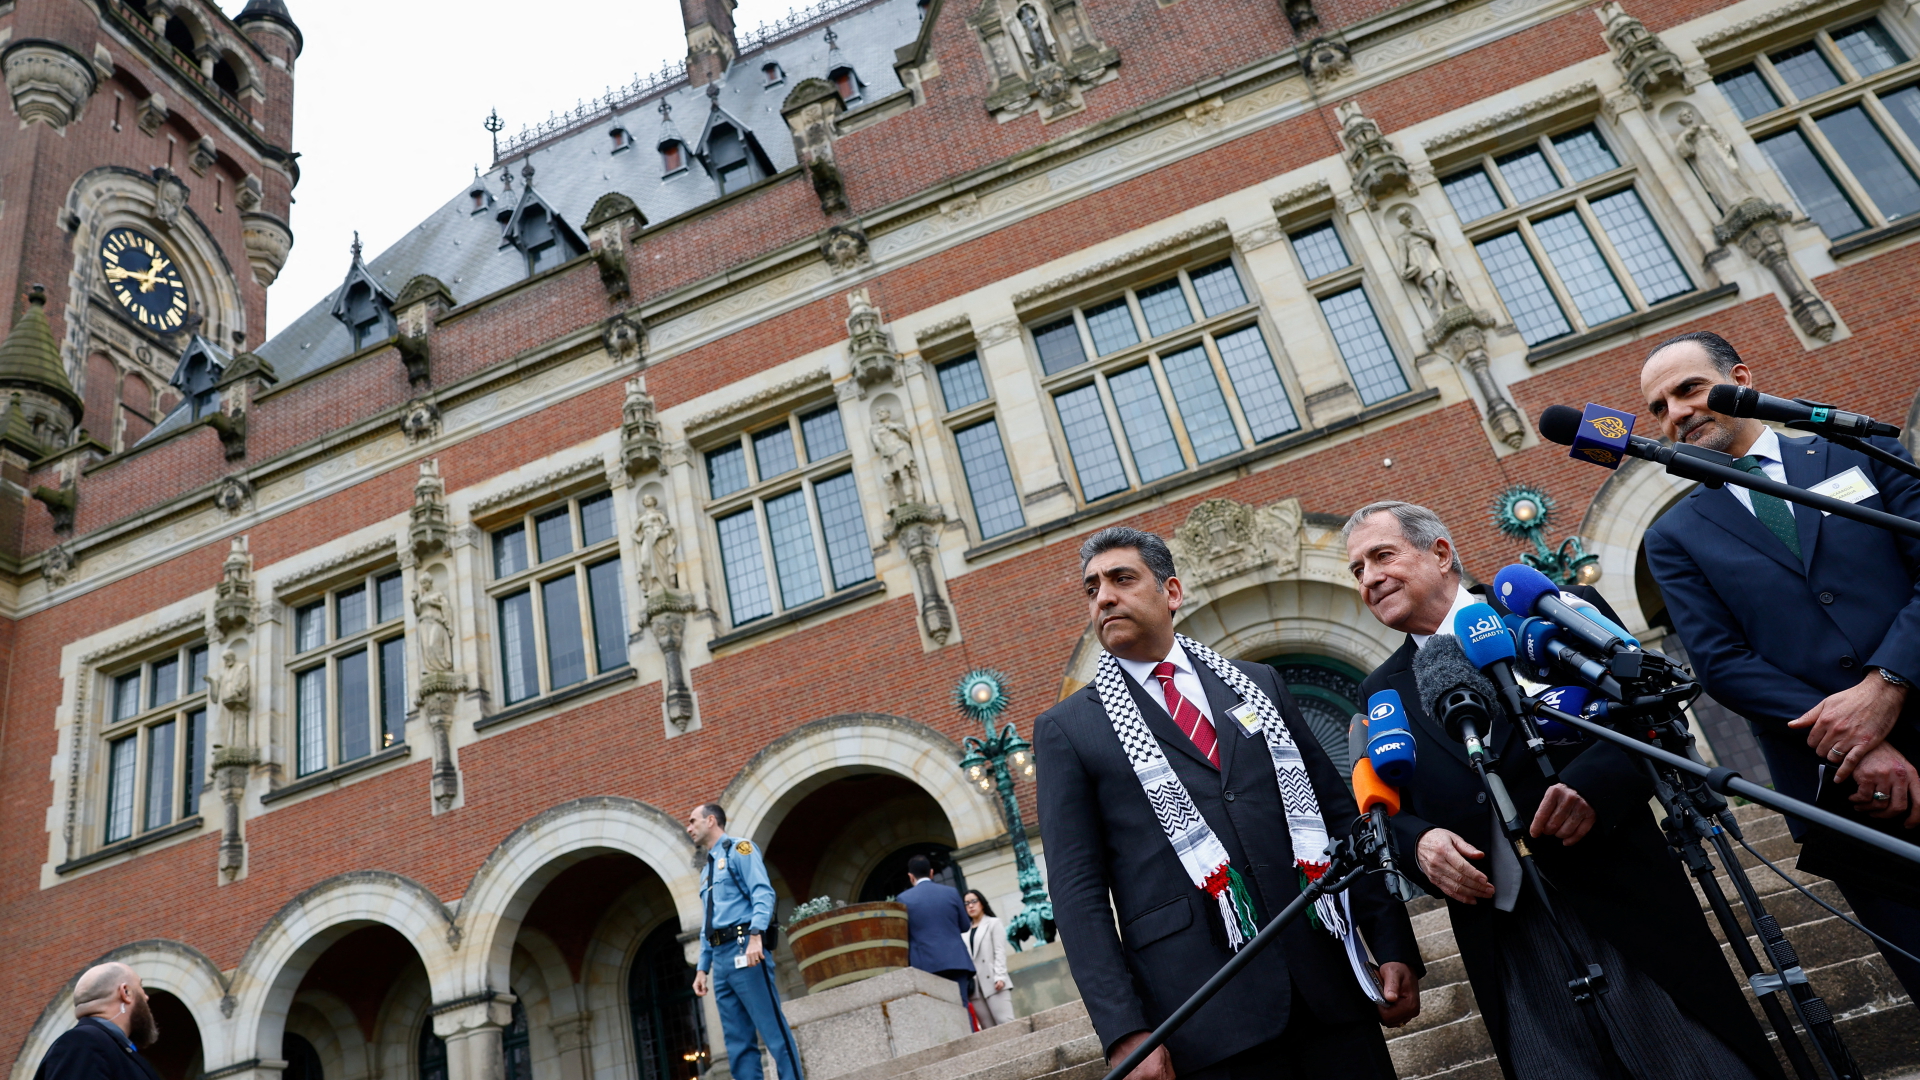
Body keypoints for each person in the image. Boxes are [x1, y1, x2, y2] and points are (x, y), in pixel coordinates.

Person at [1345, 501, 1783, 1080]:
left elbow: (1650, 713)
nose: (1369, 578)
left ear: (1441, 553)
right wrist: (1421, 845)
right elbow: (1385, 816)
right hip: (1508, 942)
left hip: (1624, 903)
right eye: (1357, 570)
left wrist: (1594, 786)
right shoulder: (1381, 694)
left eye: (1382, 556)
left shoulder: (1550, 617)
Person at [1036, 526, 1423, 1080]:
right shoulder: (1067, 729)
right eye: (1092, 587)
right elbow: (1078, 893)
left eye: (1122, 579)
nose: (1104, 597)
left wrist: (1391, 943)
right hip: (1204, 1020)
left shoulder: (1258, 683)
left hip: (1329, 990)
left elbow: (1341, 821)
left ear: (1171, 592)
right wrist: (1124, 1030)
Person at [1639, 331, 1920, 1002]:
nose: (1676, 413)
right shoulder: (1673, 536)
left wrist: (1886, 684)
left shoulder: (1861, 451)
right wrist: (1855, 740)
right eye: (1658, 407)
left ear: (1741, 377)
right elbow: (1722, 663)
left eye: (1688, 389)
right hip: (1847, 789)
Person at [686, 804, 803, 1080]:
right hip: (721, 960)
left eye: (693, 821)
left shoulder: (740, 850)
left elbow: (763, 893)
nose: (689, 828)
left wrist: (755, 937)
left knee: (772, 1028)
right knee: (737, 1042)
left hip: (745, 947)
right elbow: (708, 922)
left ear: (711, 820)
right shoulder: (706, 871)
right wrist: (702, 967)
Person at [33, 963, 162, 1080]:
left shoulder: (97, 1045)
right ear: (125, 992)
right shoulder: (83, 1042)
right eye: (140, 986)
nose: (146, 997)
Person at [898, 854, 975, 1009]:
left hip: (925, 963)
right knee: (962, 1006)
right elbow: (966, 926)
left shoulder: (903, 899)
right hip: (956, 960)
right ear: (931, 873)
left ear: (910, 876)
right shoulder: (951, 892)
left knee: (937, 1010)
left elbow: (903, 935)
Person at [963, 890, 1016, 1028]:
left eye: (974, 901)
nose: (970, 906)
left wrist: (1000, 976)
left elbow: (999, 951)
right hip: (975, 988)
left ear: (982, 903)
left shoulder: (993, 923)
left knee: (1006, 1023)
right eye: (967, 903)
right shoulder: (964, 932)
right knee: (989, 1031)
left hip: (994, 981)